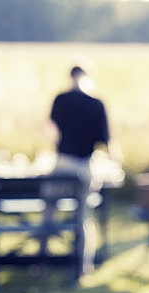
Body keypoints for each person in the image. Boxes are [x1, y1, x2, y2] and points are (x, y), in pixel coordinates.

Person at [47, 64, 117, 272]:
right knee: (84, 218)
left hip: (62, 164)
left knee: (48, 210)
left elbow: (50, 130)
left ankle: (42, 261)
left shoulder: (61, 99)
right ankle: (83, 266)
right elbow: (107, 141)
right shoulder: (97, 104)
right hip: (85, 167)